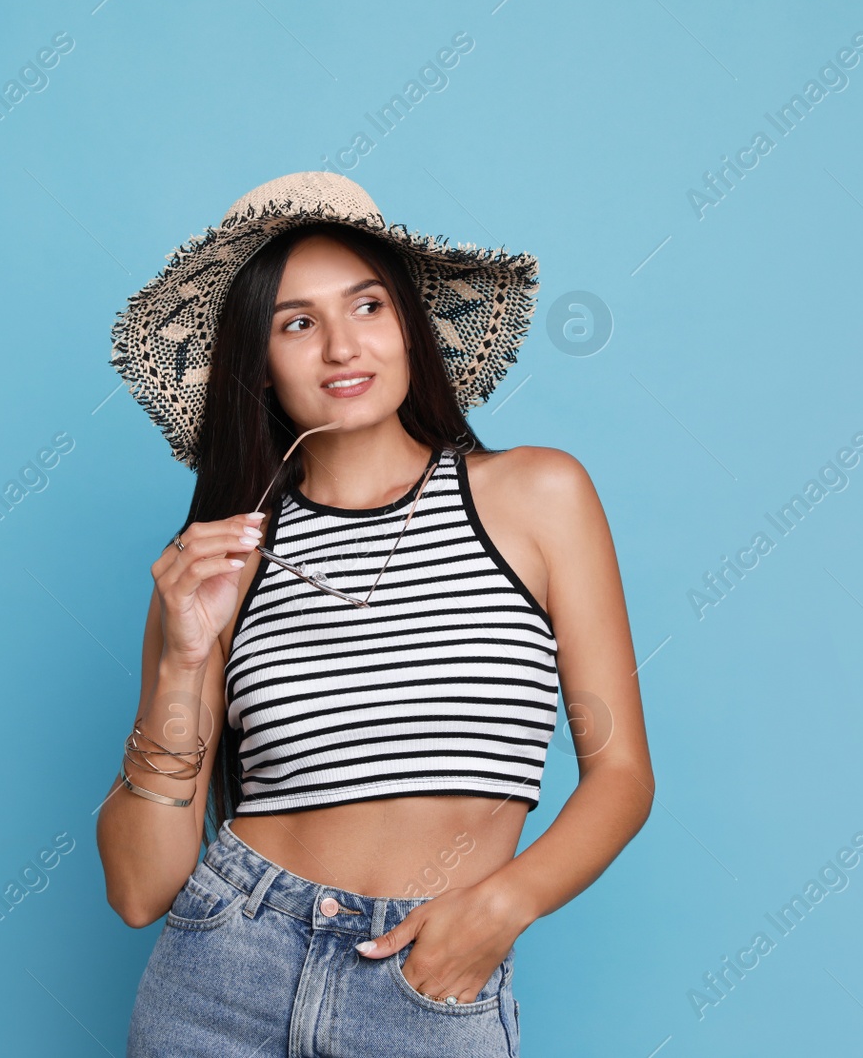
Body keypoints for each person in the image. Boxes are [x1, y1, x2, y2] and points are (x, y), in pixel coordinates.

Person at [97, 170, 653, 1057]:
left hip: (425, 975)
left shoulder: (538, 496)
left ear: (410, 324)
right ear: (260, 362)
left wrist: (501, 907)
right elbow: (137, 887)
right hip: (222, 973)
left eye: (367, 306)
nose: (341, 348)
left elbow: (621, 775)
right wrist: (181, 660)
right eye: (297, 322)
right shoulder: (216, 562)